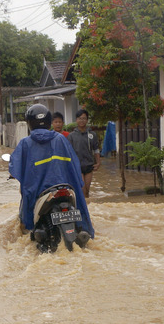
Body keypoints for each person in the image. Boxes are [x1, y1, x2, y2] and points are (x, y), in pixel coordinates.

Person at [8, 103, 94, 245]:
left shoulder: (25, 143)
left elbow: (15, 165)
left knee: (27, 204)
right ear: (49, 121)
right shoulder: (60, 139)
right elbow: (73, 164)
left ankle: (28, 230)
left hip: (40, 190)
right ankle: (82, 228)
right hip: (65, 186)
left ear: (29, 122)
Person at [68, 108, 101, 197]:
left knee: (87, 191)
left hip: (89, 166)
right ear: (76, 120)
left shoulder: (92, 134)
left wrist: (98, 162)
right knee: (82, 190)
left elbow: (96, 149)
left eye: (84, 118)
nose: (82, 120)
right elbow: (69, 152)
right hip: (77, 166)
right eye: (80, 118)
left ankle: (88, 208)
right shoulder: (71, 136)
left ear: (87, 120)